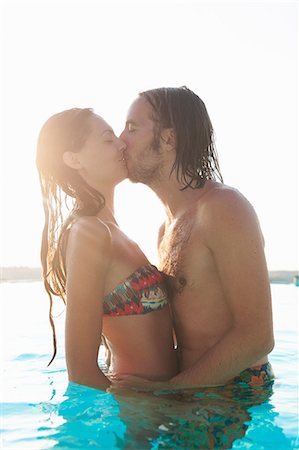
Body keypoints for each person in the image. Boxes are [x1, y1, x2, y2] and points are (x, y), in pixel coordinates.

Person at [114, 86, 275, 388]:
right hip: (193, 390)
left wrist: (167, 392)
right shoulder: (165, 228)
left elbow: (258, 337)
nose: (121, 141)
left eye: (132, 128)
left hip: (233, 392)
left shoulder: (224, 208)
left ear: (169, 139)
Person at [36, 108, 178, 391]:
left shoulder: (113, 232)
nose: (122, 144)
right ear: (74, 159)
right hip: (140, 417)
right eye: (108, 138)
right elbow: (81, 372)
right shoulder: (89, 232)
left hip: (163, 407)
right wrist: (141, 414)